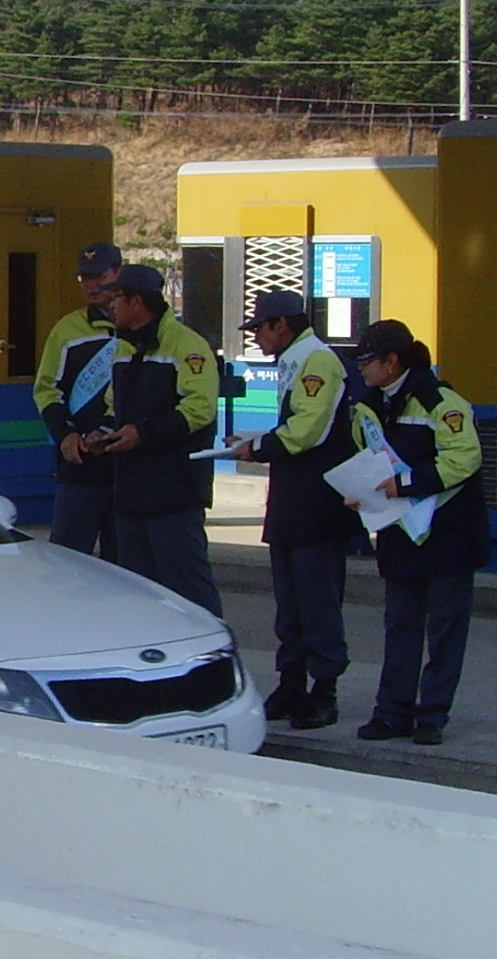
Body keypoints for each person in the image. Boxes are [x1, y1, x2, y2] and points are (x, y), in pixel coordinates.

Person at [344, 319, 490, 747]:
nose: (361, 369)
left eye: (367, 361)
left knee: (445, 631)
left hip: (449, 532)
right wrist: (361, 491)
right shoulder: (368, 405)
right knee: (400, 626)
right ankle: (392, 712)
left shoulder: (441, 401)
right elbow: (368, 458)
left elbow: (464, 459)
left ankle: (433, 715)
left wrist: (405, 484)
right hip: (399, 531)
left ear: (392, 362)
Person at [229, 290, 358, 728]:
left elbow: (307, 431)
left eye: (259, 329)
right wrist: (254, 443)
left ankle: (324, 690)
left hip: (316, 503)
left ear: (281, 325)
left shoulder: (317, 361)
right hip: (291, 501)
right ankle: (291, 682)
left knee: (317, 601)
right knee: (290, 603)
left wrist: (257, 448)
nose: (257, 338)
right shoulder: (294, 361)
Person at [73, 263, 221, 614]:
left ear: (136, 302)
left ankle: (211, 645)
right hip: (131, 489)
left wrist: (142, 434)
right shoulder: (124, 347)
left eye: (115, 298)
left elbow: (199, 410)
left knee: (187, 586)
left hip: (174, 492)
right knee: (139, 591)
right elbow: (114, 405)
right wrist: (103, 433)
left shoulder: (187, 346)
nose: (110, 305)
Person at [32, 242, 124, 557]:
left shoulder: (143, 327)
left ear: (118, 273)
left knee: (125, 564)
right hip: (82, 464)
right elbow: (46, 389)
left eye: (99, 276)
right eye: (84, 278)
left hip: (130, 464)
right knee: (67, 560)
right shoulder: (68, 329)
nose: (91, 285)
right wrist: (65, 435)